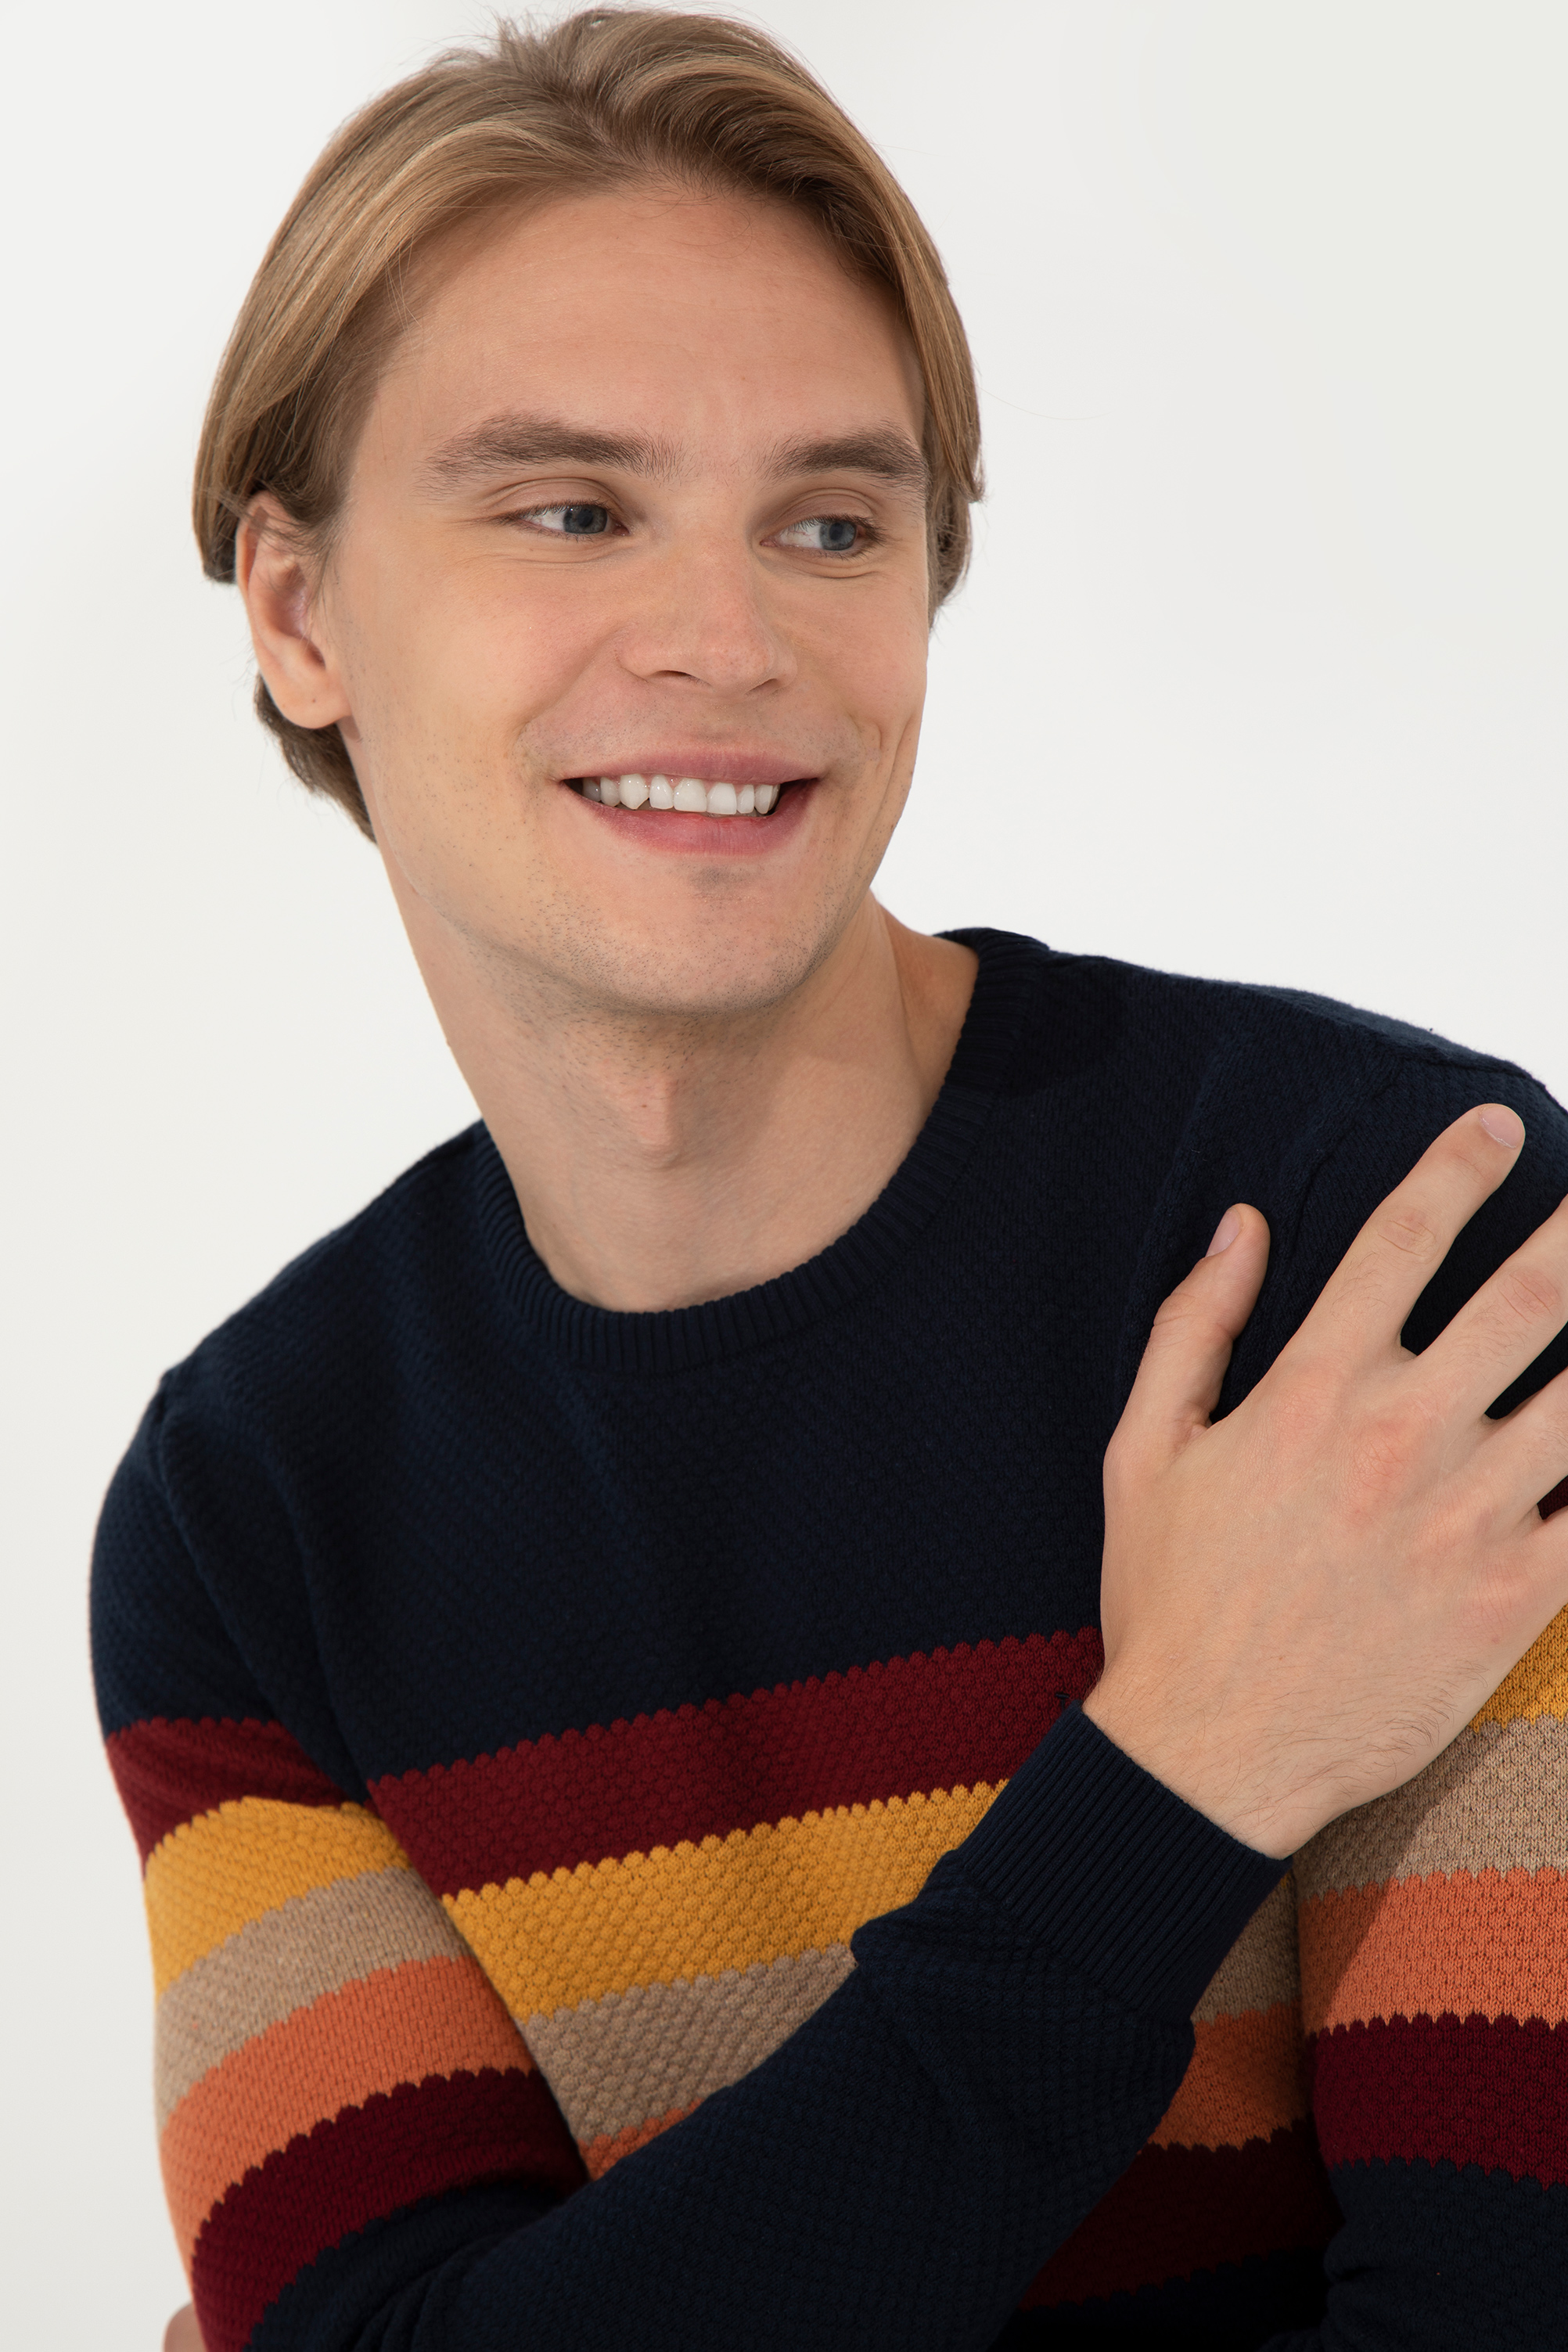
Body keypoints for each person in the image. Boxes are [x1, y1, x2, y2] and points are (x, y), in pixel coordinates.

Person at [91, 13, 1568, 2351]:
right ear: (298, 616)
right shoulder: (256, 1514)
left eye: (830, 524)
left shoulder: (1396, 1254)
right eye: (570, 509)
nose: (730, 640)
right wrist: (1181, 1775)